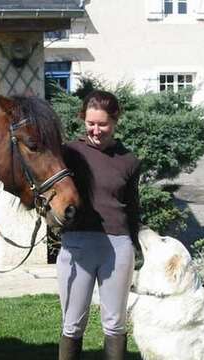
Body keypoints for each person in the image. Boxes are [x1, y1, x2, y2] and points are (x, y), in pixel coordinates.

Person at [58, 90, 140, 360]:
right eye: (90, 123)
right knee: (72, 323)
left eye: (102, 124)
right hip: (77, 245)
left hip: (117, 247)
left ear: (115, 121)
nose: (95, 130)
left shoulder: (128, 161)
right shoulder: (69, 154)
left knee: (115, 323)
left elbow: (133, 207)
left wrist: (137, 245)